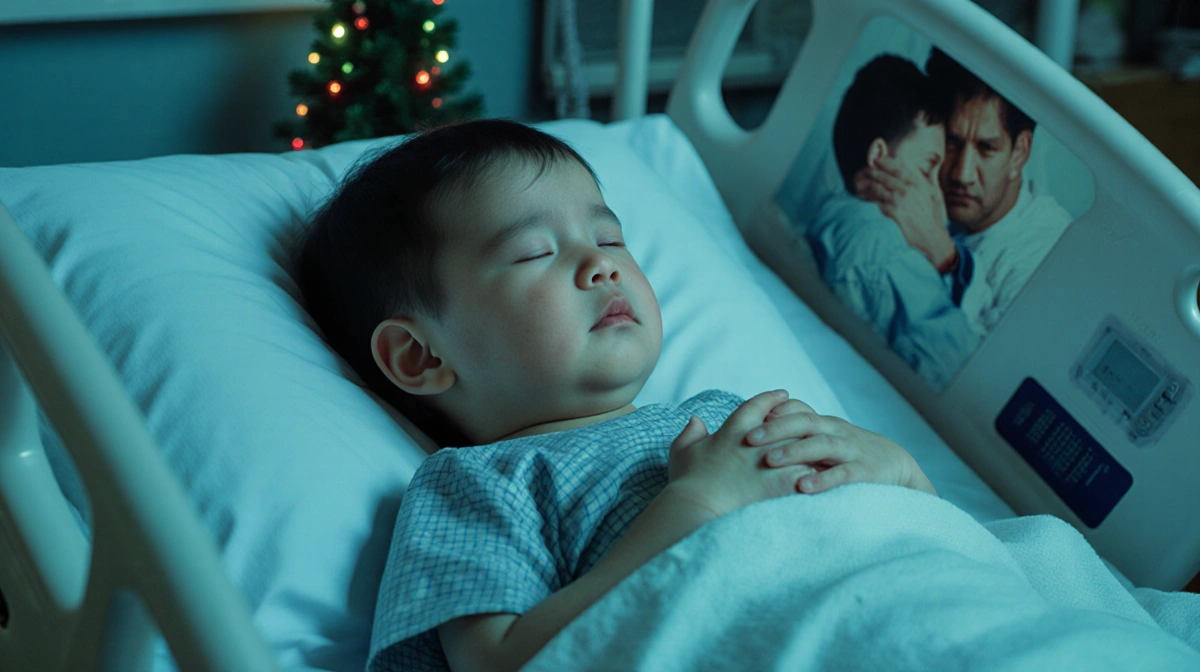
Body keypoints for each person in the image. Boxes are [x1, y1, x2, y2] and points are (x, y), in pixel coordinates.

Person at [294, 119, 939, 672]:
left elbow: (915, 541)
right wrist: (697, 503)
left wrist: (901, 474)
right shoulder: (477, 485)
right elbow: (500, 660)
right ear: (421, 356)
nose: (602, 265)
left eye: (609, 239)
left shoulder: (722, 413)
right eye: (533, 252)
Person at [855, 48, 1074, 335]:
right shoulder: (906, 183)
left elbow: (984, 366)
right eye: (952, 142)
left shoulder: (1050, 255)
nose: (962, 174)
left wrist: (947, 259)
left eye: (986, 149)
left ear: (1019, 153)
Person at [806, 54, 979, 389]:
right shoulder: (883, 249)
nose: (934, 192)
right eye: (928, 167)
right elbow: (962, 372)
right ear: (879, 158)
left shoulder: (828, 219)